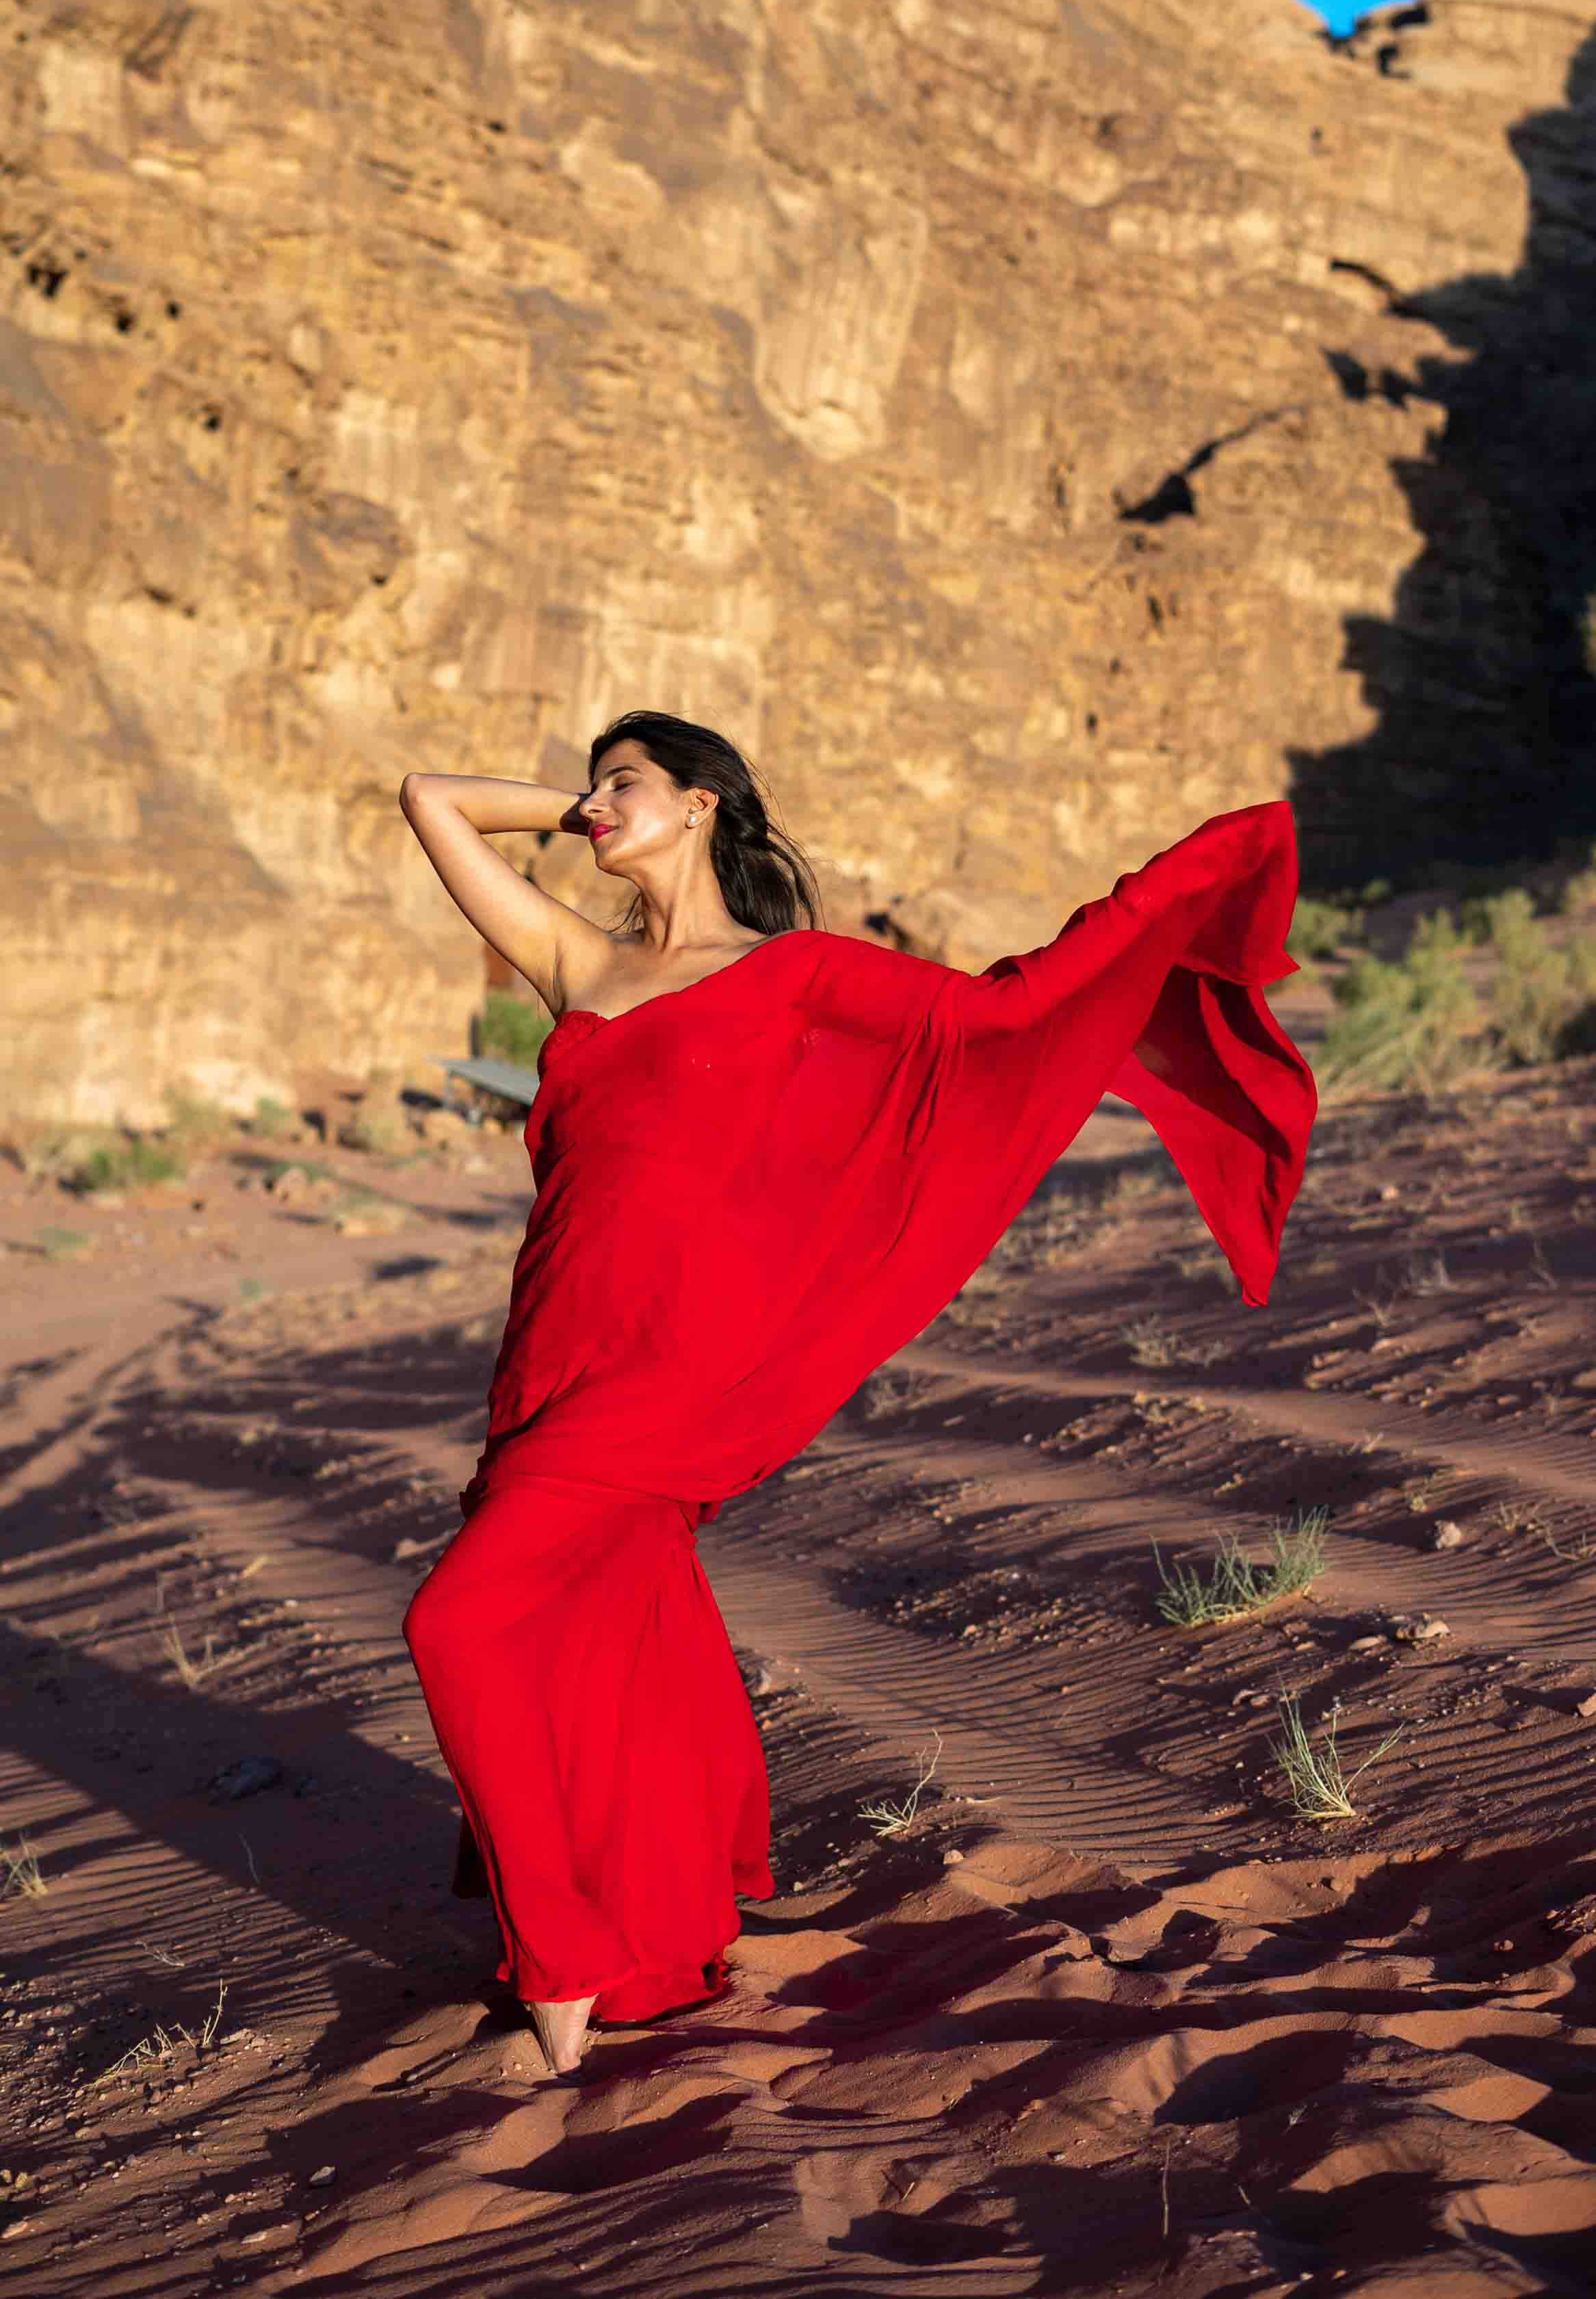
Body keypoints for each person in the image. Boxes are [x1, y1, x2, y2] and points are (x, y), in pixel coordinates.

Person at [397, 710, 1317, 2077]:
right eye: (591, 787)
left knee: (455, 1621)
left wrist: (1169, 898)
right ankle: (641, 1938)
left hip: (669, 1368)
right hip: (551, 1348)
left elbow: (1000, 1015)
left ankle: (562, 1964)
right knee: (586, 1640)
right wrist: (585, 805)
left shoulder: (800, 970)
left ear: (707, 803)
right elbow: (428, 800)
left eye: (626, 782)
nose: (597, 805)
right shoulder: (580, 963)